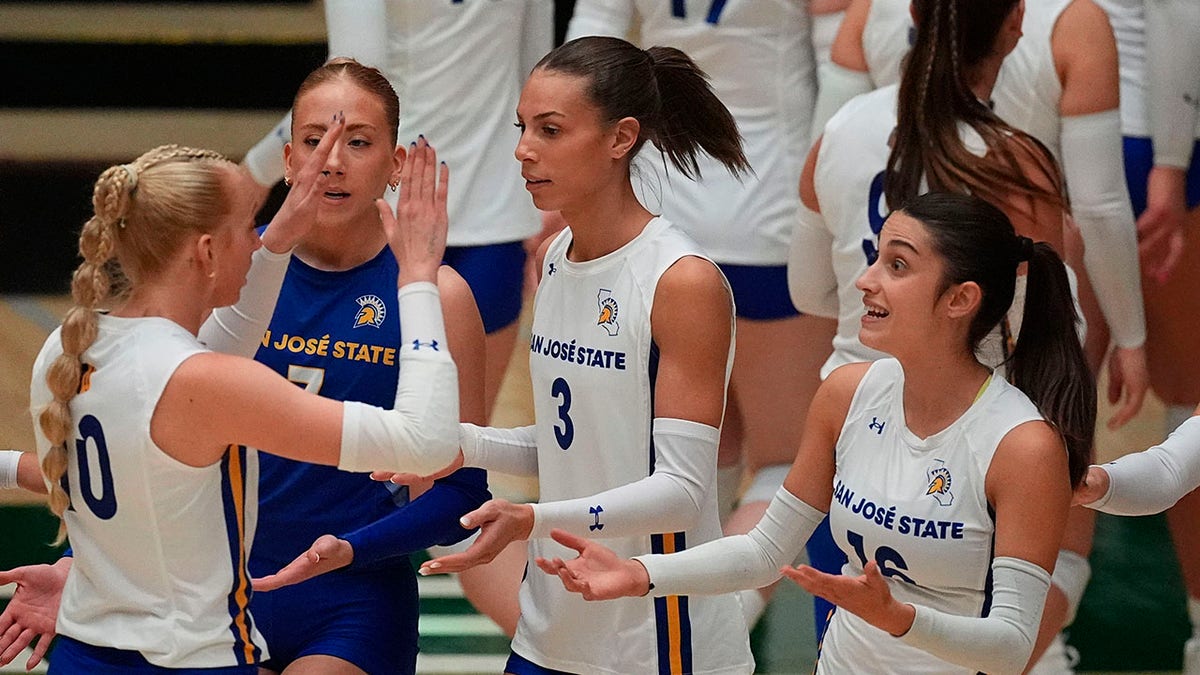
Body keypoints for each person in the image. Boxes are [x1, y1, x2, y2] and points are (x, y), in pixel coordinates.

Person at [1, 59, 492, 675]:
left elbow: (461, 491)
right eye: (316, 141)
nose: (333, 160)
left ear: (397, 164)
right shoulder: (220, 299)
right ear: (288, 159)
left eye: (358, 141)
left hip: (343, 599)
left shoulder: (89, 337)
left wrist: (350, 550)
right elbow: (148, 442)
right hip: (213, 605)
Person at [539, 191, 1097, 675]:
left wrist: (898, 619)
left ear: (960, 299)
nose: (866, 281)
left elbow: (1011, 648)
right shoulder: (846, 393)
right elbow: (763, 552)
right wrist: (639, 573)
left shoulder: (1023, 445)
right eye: (877, 258)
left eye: (898, 266)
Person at [394, 35, 757, 674]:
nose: (523, 148)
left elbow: (679, 491)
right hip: (551, 633)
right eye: (523, 126)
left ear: (621, 138)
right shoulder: (556, 257)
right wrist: (462, 444)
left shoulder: (681, 281)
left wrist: (533, 516)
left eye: (551, 129)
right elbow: (579, 444)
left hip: (660, 642)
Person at [564, 0, 837, 625]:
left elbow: (589, 48)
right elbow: (838, 83)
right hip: (773, 215)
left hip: (666, 212)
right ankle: (706, 634)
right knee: (785, 465)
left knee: (696, 449)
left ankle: (661, 631)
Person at [243, 0, 551, 421]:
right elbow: (350, 81)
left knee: (457, 444)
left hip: (469, 211)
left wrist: (253, 172)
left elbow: (347, 80)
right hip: (450, 210)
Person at [1091, 1, 1200, 670]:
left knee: (1047, 395)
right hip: (1146, 135)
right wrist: (1169, 159)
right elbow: (1176, 13)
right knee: (1191, 403)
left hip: (1057, 125)